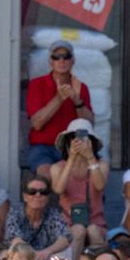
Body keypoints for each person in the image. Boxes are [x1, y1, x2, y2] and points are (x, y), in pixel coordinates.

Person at [24, 40, 93, 176]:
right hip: (43, 148)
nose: (61, 60)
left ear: (72, 60)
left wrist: (77, 100)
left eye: (66, 56)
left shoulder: (81, 87)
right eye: (56, 57)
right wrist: (59, 98)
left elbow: (89, 125)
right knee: (48, 175)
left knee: (86, 176)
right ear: (50, 61)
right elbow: (37, 124)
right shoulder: (36, 84)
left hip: (72, 148)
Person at [5, 175, 71, 260]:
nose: (38, 195)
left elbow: (65, 238)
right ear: (25, 196)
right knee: (13, 256)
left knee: (65, 255)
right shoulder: (15, 213)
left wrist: (47, 252)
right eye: (32, 191)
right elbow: (15, 239)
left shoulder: (53, 214)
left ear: (47, 197)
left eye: (43, 192)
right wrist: (33, 257)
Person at [50, 119, 108, 259]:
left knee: (93, 230)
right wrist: (71, 159)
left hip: (95, 222)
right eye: (74, 138)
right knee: (78, 230)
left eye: (83, 139)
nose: (79, 142)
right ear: (68, 142)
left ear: (91, 142)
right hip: (67, 223)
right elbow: (58, 189)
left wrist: (90, 157)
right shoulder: (57, 167)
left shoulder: (102, 165)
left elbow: (100, 185)